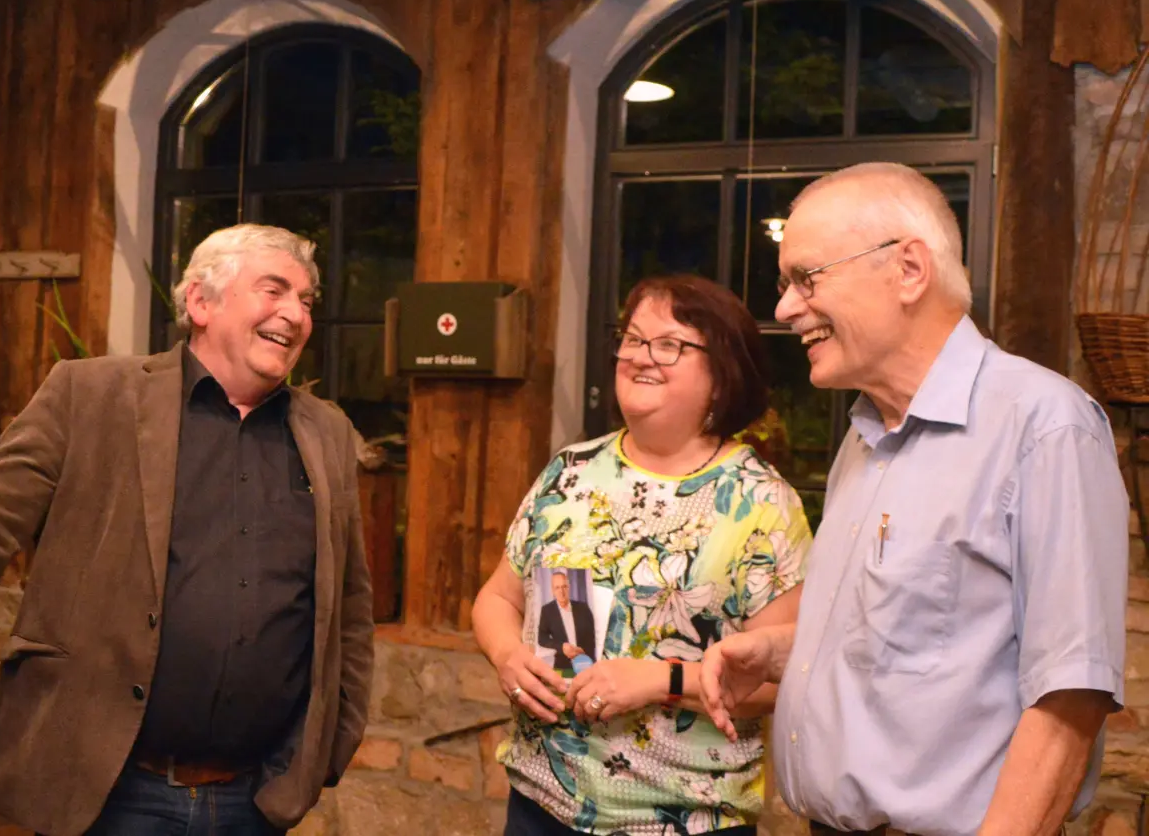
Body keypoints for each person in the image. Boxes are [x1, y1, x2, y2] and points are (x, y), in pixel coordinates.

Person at [0, 223, 374, 836]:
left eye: (306, 300)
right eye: (274, 290)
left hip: (256, 799)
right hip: (108, 790)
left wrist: (334, 737)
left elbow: (348, 603)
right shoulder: (90, 396)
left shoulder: (326, 432)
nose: (295, 314)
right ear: (200, 302)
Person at [698, 163, 1128, 836]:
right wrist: (782, 653)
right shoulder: (866, 436)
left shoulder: (1044, 426)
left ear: (908, 270)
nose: (783, 309)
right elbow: (924, 639)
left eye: (806, 279)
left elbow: (1071, 694)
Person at [473, 273, 812, 836]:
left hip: (683, 821)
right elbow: (496, 598)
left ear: (722, 373)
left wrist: (658, 681)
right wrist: (509, 656)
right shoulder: (571, 471)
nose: (640, 357)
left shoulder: (761, 504)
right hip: (542, 805)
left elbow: (780, 680)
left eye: (669, 344)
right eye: (632, 339)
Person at [538, 570, 598, 674]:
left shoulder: (583, 608)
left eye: (564, 586)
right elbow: (541, 638)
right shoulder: (547, 610)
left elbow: (593, 637)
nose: (561, 591)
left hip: (585, 664)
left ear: (569, 587)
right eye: (557, 588)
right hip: (562, 666)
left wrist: (584, 652)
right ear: (552, 590)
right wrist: (561, 646)